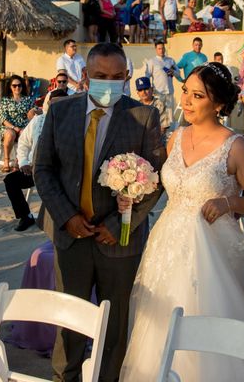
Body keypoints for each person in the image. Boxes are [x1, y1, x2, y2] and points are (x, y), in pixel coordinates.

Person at [121, 62, 244, 381]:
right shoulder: (176, 137)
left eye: (197, 95)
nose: (186, 101)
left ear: (218, 104)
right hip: (166, 244)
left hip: (211, 251)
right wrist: (132, 188)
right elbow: (163, 184)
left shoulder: (237, 146)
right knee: (158, 322)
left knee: (205, 320)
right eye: (185, 92)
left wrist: (229, 201)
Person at [34, 43, 166, 382]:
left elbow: (156, 179)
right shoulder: (60, 111)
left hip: (119, 239)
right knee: (70, 322)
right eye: (100, 76)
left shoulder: (143, 116)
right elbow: (43, 169)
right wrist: (67, 216)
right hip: (69, 236)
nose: (109, 83)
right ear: (84, 76)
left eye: (117, 77)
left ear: (126, 77)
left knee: (116, 325)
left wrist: (121, 222)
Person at [5, 89, 69, 232]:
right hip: (36, 169)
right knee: (10, 181)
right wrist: (23, 162)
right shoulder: (38, 120)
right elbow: (23, 142)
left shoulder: (72, 123)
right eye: (53, 103)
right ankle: (25, 216)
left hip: (60, 172)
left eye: (61, 103)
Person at [0, 75, 37, 173]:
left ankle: (18, 161)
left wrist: (33, 111)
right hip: (9, 126)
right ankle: (6, 160)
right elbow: (3, 118)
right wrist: (14, 127)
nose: (17, 88)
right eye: (14, 86)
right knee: (10, 134)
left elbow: (33, 113)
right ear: (10, 87)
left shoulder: (27, 99)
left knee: (25, 133)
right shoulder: (5, 100)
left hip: (24, 126)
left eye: (19, 85)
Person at [145, 40, 182, 127]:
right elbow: (147, 76)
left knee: (170, 117)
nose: (161, 50)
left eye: (163, 48)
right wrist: (149, 90)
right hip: (158, 93)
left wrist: (172, 71)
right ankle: (158, 136)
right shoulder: (152, 62)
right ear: (156, 49)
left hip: (169, 92)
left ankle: (170, 135)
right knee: (158, 116)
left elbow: (178, 73)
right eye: (159, 49)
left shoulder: (170, 61)